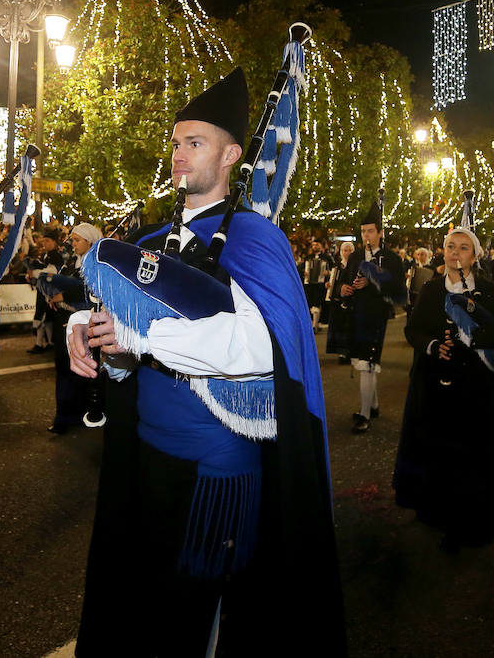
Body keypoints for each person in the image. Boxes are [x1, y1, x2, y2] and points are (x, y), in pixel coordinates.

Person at [67, 67, 345, 656]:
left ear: (231, 156)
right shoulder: (146, 243)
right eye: (175, 142)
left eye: (194, 143)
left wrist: (141, 336)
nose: (178, 155)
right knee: (150, 609)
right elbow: (125, 359)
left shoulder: (253, 239)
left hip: (214, 470)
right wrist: (94, 340)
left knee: (203, 615)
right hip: (147, 455)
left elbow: (257, 349)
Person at [395, 221, 494, 552]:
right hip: (434, 384)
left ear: (475, 255)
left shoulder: (490, 291)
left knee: (472, 454)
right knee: (438, 449)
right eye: (451, 247)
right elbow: (414, 330)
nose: (455, 253)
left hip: (477, 388)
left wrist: (472, 336)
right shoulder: (433, 289)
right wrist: (435, 346)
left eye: (464, 248)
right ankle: (436, 510)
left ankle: (468, 522)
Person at [344, 199, 401, 434]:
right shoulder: (355, 256)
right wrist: (344, 288)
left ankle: (365, 415)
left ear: (380, 233)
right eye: (363, 231)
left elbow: (397, 290)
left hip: (376, 316)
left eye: (370, 231)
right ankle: (373, 405)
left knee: (368, 363)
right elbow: (344, 280)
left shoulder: (392, 259)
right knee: (365, 362)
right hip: (356, 314)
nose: (366, 236)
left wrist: (372, 281)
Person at [45, 221, 100, 432]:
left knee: (81, 369)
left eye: (77, 240)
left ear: (90, 241)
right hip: (65, 322)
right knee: (65, 368)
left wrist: (65, 296)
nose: (73, 244)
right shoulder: (72, 264)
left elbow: (89, 293)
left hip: (84, 324)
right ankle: (66, 415)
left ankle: (78, 413)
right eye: (73, 240)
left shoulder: (95, 265)